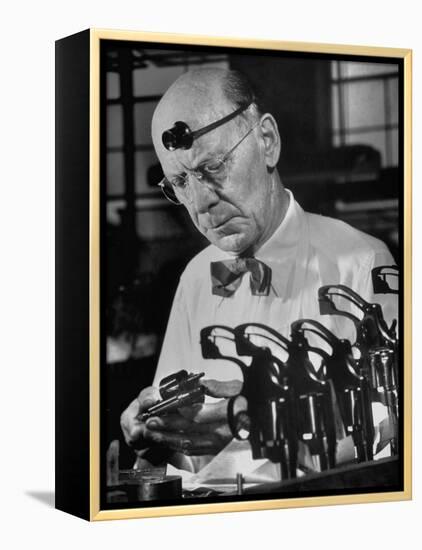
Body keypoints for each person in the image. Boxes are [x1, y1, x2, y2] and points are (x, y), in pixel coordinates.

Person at [120, 68, 398, 486]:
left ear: (267, 142)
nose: (200, 204)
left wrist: (255, 419)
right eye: (179, 182)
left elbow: (392, 437)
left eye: (212, 167)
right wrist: (156, 433)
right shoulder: (197, 278)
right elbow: (182, 455)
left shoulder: (361, 264)